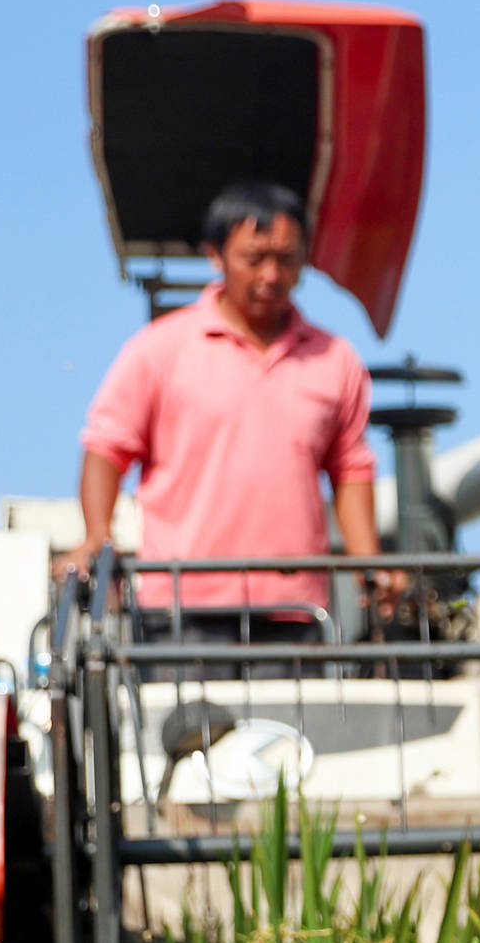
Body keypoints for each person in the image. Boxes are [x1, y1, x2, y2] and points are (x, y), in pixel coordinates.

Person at [56, 180, 403, 641]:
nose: (270, 275)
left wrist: (369, 565)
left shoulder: (335, 359)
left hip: (294, 614)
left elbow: (350, 468)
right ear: (216, 256)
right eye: (254, 258)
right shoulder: (160, 349)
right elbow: (106, 447)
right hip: (181, 613)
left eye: (286, 259)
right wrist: (96, 537)